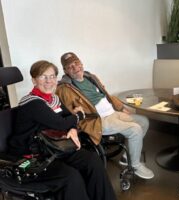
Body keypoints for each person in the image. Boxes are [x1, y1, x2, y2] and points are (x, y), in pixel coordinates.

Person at [9, 60, 117, 200]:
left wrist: (72, 129)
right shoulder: (32, 102)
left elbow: (68, 118)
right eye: (43, 76)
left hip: (54, 146)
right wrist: (79, 115)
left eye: (53, 76)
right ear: (34, 80)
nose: (49, 81)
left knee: (92, 161)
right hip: (33, 154)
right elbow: (61, 123)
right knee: (71, 176)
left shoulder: (54, 98)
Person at [56, 52, 154, 179]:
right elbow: (70, 112)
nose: (75, 68)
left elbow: (106, 95)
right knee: (135, 130)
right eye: (70, 67)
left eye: (77, 63)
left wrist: (121, 107)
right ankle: (134, 165)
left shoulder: (90, 77)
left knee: (143, 121)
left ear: (81, 62)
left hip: (112, 113)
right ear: (65, 70)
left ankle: (127, 157)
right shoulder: (64, 89)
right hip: (97, 120)